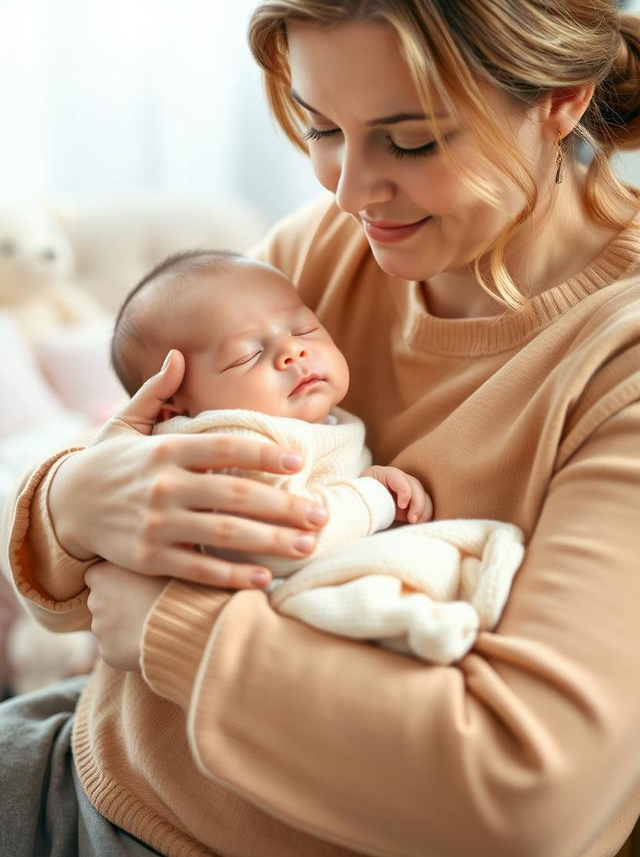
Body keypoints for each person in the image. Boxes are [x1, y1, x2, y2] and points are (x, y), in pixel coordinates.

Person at [2, 0, 640, 857]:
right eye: (319, 125)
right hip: (93, 764)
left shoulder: (617, 360)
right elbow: (70, 575)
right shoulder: (330, 248)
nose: (347, 190)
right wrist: (77, 500)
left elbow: (529, 804)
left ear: (559, 99)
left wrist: (178, 630)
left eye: (412, 140)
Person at [109, 247, 521, 664]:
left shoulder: (302, 418)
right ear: (171, 405)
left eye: (304, 329)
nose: (293, 351)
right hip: (262, 616)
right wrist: (372, 497)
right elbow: (275, 540)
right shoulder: (227, 437)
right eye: (246, 355)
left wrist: (360, 486)